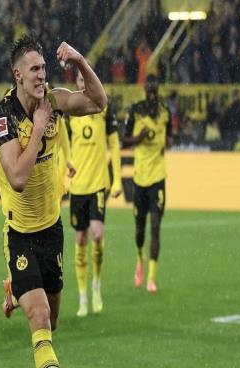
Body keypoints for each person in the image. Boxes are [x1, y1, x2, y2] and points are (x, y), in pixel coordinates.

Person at [0, 35, 107, 368]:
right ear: (17, 74)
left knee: (52, 322)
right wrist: (39, 128)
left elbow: (98, 102)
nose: (42, 75)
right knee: (39, 317)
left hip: (51, 231)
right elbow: (17, 178)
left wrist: (80, 60)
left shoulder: (54, 101)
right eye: (35, 69)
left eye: (44, 68)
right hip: (20, 234)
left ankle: (13, 288)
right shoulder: (4, 116)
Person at [68, 70, 122, 317]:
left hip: (99, 183)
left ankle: (96, 285)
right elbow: (62, 146)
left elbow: (115, 144)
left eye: (86, 80)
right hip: (78, 186)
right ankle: (82, 297)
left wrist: (117, 179)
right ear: (77, 83)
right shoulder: (70, 112)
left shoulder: (103, 106)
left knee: (97, 235)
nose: (83, 84)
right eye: (80, 80)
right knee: (80, 239)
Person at [123, 74, 172, 293]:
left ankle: (152, 277)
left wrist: (167, 143)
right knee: (140, 230)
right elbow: (125, 139)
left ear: (157, 90)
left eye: (155, 91)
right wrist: (138, 138)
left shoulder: (165, 112)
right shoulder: (136, 111)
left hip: (158, 178)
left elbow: (170, 137)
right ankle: (139, 258)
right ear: (145, 90)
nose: (152, 94)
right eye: (149, 91)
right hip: (140, 178)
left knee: (155, 226)